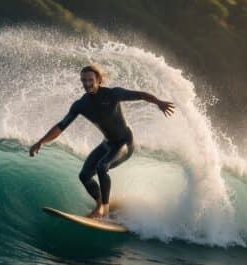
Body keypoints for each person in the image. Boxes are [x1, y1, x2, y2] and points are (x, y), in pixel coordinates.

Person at [30, 64, 175, 219]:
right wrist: (41, 142)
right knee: (84, 176)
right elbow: (61, 125)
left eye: (90, 80)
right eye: (83, 80)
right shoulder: (81, 104)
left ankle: (103, 210)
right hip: (108, 144)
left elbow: (139, 95)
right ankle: (100, 204)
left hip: (125, 143)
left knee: (102, 167)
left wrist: (158, 102)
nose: (87, 84)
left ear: (98, 80)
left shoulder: (112, 94)